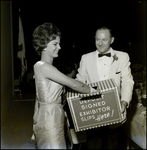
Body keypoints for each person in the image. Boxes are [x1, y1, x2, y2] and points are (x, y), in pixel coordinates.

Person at [31, 22, 97, 149]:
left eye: (59, 43)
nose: (59, 47)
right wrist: (93, 91)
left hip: (49, 115)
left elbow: (38, 98)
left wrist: (35, 122)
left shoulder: (39, 66)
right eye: (55, 44)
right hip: (50, 118)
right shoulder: (46, 68)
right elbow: (73, 83)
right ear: (44, 45)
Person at [75, 25, 134, 149]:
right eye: (97, 40)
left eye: (104, 40)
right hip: (93, 114)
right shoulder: (86, 58)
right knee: (93, 146)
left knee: (113, 145)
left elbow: (127, 81)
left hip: (115, 113)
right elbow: (79, 81)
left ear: (111, 40)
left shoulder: (122, 56)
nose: (100, 43)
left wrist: (124, 101)